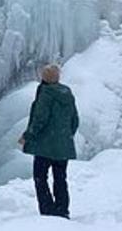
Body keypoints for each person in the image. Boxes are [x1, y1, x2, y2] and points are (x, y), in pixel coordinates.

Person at [18, 63, 79, 218]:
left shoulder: (45, 93)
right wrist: (65, 137)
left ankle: (47, 210)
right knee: (60, 178)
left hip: (44, 147)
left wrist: (27, 136)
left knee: (40, 177)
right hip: (63, 146)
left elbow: (40, 120)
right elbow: (75, 120)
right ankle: (62, 209)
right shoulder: (67, 93)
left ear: (44, 78)